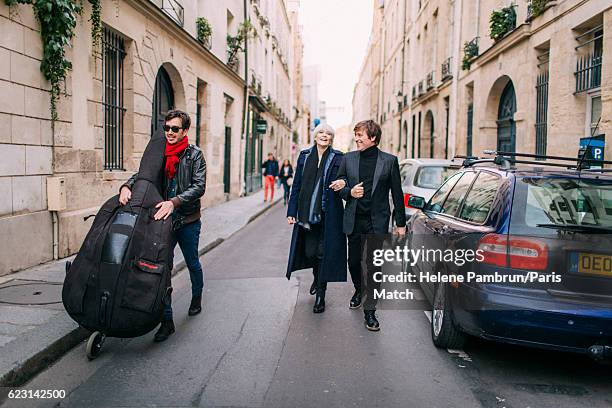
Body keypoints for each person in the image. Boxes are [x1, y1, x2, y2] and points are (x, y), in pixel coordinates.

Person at [119, 109, 206, 342]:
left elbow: (199, 186)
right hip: (162, 221)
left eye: (174, 129)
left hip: (187, 220)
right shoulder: (159, 152)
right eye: (166, 128)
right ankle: (166, 320)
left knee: (192, 262)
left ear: (184, 130)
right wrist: (126, 186)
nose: (169, 133)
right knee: (161, 268)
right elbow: (144, 174)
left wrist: (174, 202)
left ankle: (196, 296)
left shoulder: (194, 155)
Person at [330, 119, 406, 331]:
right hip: (354, 219)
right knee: (353, 262)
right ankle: (358, 289)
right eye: (356, 135)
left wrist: (401, 223)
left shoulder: (389, 161)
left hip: (377, 221)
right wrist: (349, 192)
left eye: (360, 135)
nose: (357, 139)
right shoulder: (348, 158)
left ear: (372, 138)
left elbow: (397, 193)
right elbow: (339, 184)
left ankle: (370, 311)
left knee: (373, 266)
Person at [287, 124, 346, 313]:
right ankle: (316, 275)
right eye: (321, 132)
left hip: (329, 216)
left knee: (323, 254)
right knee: (311, 252)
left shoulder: (339, 157)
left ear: (331, 139)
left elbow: (347, 178)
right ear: (315, 136)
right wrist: (291, 211)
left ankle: (321, 294)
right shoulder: (304, 156)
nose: (324, 136)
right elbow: (296, 185)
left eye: (328, 134)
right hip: (306, 215)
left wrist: (344, 182)